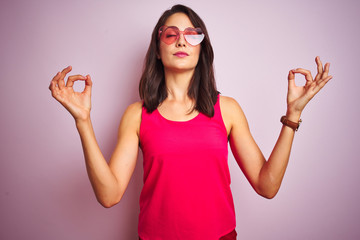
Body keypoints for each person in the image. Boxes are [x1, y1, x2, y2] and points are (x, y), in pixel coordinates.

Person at [49, 4, 332, 240]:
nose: (182, 40)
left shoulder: (228, 110)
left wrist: (292, 115)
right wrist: (83, 121)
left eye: (191, 35)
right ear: (158, 50)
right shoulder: (137, 114)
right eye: (170, 35)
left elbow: (267, 186)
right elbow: (109, 196)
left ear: (201, 49)